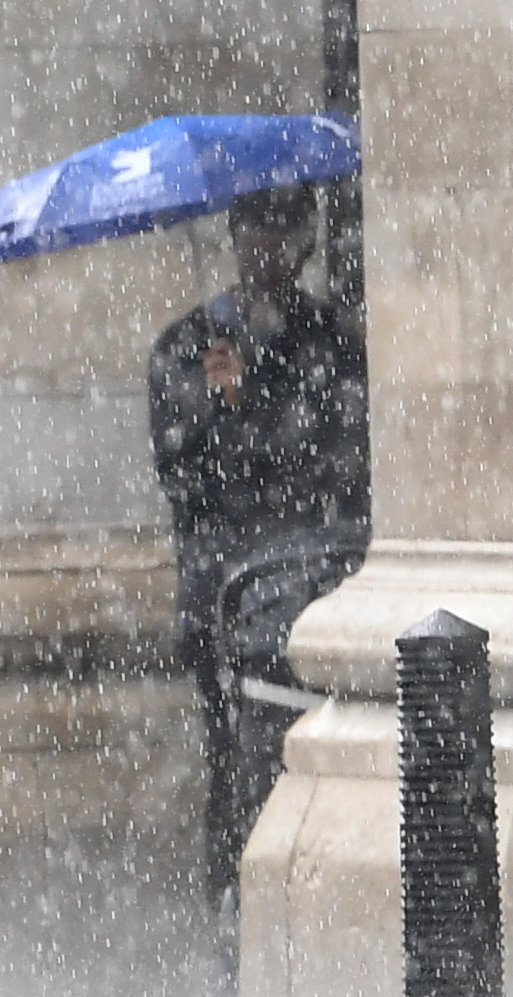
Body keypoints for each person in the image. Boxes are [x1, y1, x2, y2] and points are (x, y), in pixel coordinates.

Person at [146, 184, 368, 913]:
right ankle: (230, 890)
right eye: (253, 233)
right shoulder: (189, 344)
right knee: (232, 752)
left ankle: (287, 886)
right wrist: (224, 405)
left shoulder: (328, 338)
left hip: (304, 581)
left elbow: (337, 460)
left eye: (282, 235)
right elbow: (186, 476)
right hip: (222, 593)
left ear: (304, 244)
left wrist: (257, 414)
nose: (265, 251)